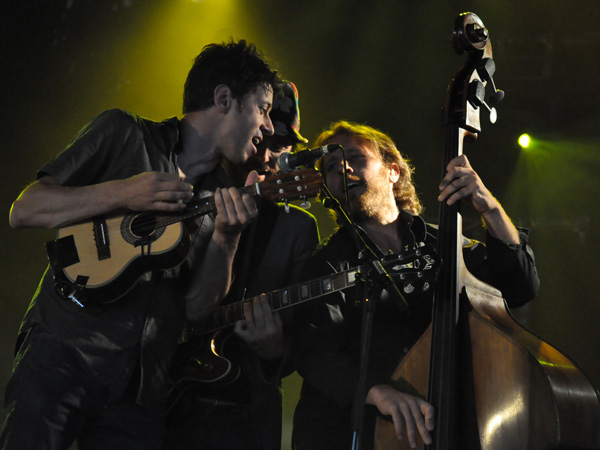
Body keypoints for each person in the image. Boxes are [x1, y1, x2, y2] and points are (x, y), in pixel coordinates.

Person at [1, 39, 281, 450]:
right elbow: (24, 210)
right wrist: (122, 193)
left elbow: (194, 308)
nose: (270, 127)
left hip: (142, 387)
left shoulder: (222, 192)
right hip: (62, 352)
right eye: (263, 108)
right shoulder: (124, 132)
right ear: (224, 98)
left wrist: (227, 237)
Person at [291, 121, 540, 450]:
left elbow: (520, 286)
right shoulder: (325, 264)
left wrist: (488, 205)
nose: (343, 169)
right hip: (359, 433)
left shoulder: (444, 244)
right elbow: (313, 351)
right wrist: (377, 392)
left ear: (393, 171)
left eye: (355, 157)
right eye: (332, 167)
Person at [164, 81, 320, 450]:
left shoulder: (298, 228)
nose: (266, 155)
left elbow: (303, 341)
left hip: (243, 412)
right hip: (163, 398)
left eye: (280, 146)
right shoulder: (186, 194)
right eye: (261, 140)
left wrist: (273, 349)